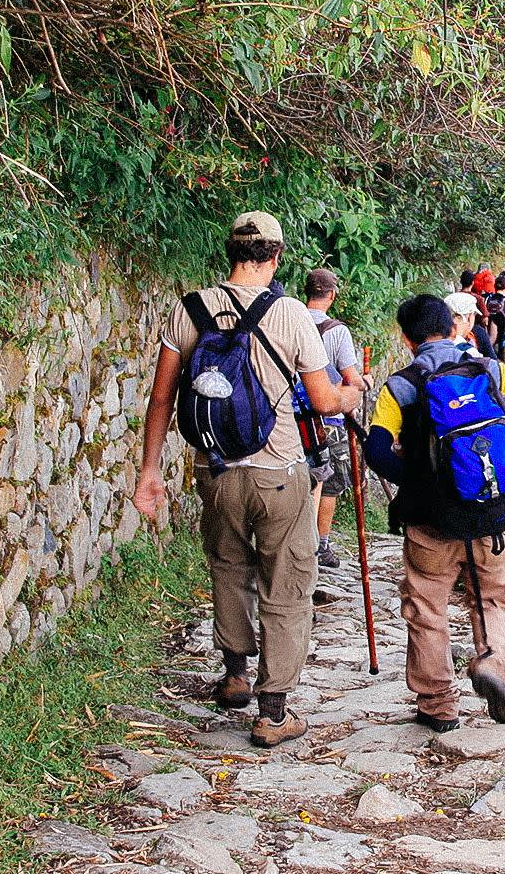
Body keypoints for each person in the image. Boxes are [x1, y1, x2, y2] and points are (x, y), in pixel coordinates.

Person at [132, 212, 362, 748]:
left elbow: (162, 397)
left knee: (228, 567)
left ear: (229, 253)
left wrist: (149, 473)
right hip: (279, 472)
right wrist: (355, 393)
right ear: (277, 257)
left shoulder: (189, 309)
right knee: (286, 580)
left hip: (213, 470)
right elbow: (326, 401)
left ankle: (235, 674)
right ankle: (274, 710)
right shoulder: (289, 314)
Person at [361, 294, 505, 730]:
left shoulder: (400, 386)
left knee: (427, 605)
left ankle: (437, 705)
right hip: (493, 514)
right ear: (454, 328)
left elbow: (375, 451)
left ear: (406, 339)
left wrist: (417, 480)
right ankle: (493, 667)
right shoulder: (494, 370)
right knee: (494, 596)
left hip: (432, 521)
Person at [303, 267, 369, 583]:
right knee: (329, 481)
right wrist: (364, 382)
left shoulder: (290, 321)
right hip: (327, 418)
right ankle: (321, 546)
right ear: (331, 295)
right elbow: (350, 376)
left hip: (294, 417)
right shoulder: (337, 331)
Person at [445, 291, 495, 358]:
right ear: (469, 317)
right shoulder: (471, 352)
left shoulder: (435, 339)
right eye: (474, 314)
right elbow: (493, 362)